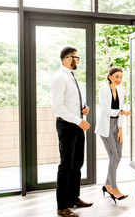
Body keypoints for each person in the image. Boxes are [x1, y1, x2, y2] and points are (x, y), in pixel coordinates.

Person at [51, 46, 93, 217]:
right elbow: (58, 108)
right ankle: (62, 207)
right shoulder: (60, 77)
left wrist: (83, 109)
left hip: (76, 124)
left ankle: (73, 198)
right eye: (76, 57)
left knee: (77, 164)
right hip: (67, 126)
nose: (78, 60)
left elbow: (69, 102)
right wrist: (79, 121)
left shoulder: (71, 76)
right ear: (68, 58)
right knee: (66, 165)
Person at [95, 67, 131, 203]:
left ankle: (106, 184)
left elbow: (120, 111)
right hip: (106, 126)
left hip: (117, 125)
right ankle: (114, 188)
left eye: (121, 77)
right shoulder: (103, 90)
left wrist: (120, 129)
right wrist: (121, 111)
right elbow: (105, 110)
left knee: (119, 156)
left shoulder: (121, 91)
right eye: (117, 77)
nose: (119, 80)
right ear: (110, 76)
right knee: (113, 156)